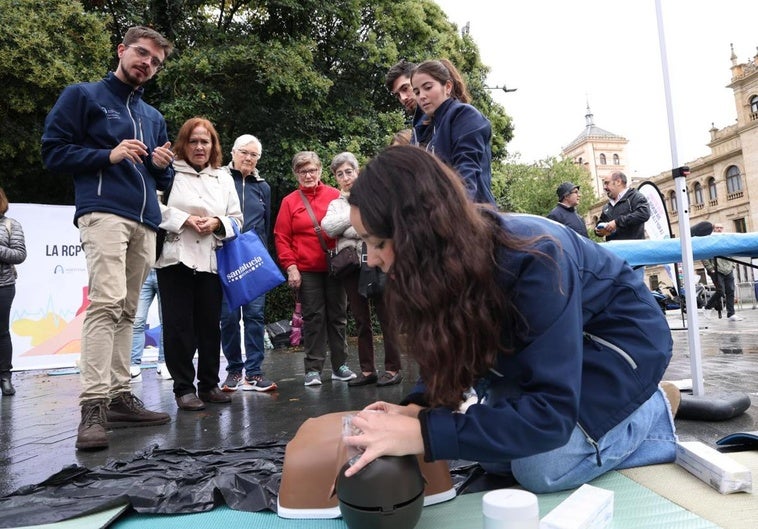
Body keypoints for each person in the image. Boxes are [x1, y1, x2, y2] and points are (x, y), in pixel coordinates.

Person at [342, 146, 677, 494]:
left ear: (419, 233)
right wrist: (418, 407)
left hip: (621, 345)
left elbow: (549, 416)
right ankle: (609, 420)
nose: (372, 260)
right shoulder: (446, 259)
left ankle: (652, 410)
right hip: (551, 350)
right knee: (495, 456)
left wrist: (422, 434)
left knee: (541, 467)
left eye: (379, 242)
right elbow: (450, 337)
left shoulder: (537, 257)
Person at [41, 26, 174, 450]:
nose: (146, 64)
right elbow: (53, 151)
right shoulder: (82, 96)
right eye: (141, 54)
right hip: (103, 212)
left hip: (145, 220)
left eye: (155, 62)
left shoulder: (153, 117)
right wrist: (108, 154)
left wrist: (161, 165)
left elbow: (159, 175)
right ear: (121, 50)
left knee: (130, 309)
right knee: (107, 303)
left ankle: (119, 396)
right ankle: (93, 404)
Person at [155, 117, 242, 411]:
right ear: (184, 144)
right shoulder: (168, 173)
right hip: (175, 258)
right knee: (179, 327)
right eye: (193, 141)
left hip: (211, 259)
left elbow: (237, 219)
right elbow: (153, 207)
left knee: (209, 326)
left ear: (214, 145)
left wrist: (218, 222)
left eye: (205, 141)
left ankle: (209, 385)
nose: (199, 147)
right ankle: (183, 389)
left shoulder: (224, 177)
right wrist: (185, 219)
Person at [274, 151, 356, 386]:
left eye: (312, 170)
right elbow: (281, 237)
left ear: (320, 170)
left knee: (339, 316)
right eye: (302, 171)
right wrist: (291, 267)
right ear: (296, 174)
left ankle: (340, 365)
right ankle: (313, 369)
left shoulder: (334, 195)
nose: (308, 175)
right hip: (306, 269)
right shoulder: (290, 201)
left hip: (336, 265)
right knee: (313, 318)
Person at [321, 153, 402, 387]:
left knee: (387, 317)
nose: (345, 178)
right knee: (360, 319)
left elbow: (377, 225)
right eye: (340, 174)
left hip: (376, 261)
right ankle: (368, 371)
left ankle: (393, 368)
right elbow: (328, 227)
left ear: (357, 172)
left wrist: (346, 227)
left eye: (349, 172)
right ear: (336, 178)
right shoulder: (335, 203)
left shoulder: (375, 195)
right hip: (351, 267)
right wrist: (355, 218)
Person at [219, 135, 277, 393]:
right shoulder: (219, 179)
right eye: (244, 152)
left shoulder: (263, 187)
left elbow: (266, 224)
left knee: (255, 316)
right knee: (228, 317)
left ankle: (254, 373)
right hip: (225, 256)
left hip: (253, 260)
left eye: (254, 155)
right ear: (233, 152)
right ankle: (233, 370)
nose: (249, 158)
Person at [410, 59, 496, 205]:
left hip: (471, 215)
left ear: (448, 86)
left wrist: (455, 216)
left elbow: (466, 174)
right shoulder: (422, 131)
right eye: (417, 92)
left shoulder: (465, 115)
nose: (422, 96)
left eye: (428, 87)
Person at [0, 189, 26, 396]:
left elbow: (19, 254)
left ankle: (5, 378)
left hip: (3, 286)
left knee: (2, 332)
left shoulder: (11, 225)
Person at [129, 269, 171, 382]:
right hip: (143, 271)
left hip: (166, 270)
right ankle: (133, 365)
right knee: (137, 321)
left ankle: (164, 363)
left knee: (167, 321)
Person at [703, 223, 742, 321]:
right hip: (716, 270)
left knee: (731, 291)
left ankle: (731, 314)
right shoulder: (709, 240)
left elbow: (731, 251)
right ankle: (707, 307)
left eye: (721, 227)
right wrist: (710, 268)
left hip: (728, 269)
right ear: (713, 229)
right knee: (721, 291)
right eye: (717, 228)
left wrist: (732, 265)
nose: (719, 229)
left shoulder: (726, 239)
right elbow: (704, 254)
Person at [595, 171, 650, 241]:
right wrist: (599, 231)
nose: (604, 187)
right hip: (612, 250)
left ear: (618, 182)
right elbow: (601, 222)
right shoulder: (607, 206)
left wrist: (617, 223)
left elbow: (644, 214)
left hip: (633, 249)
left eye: (607, 183)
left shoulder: (635, 197)